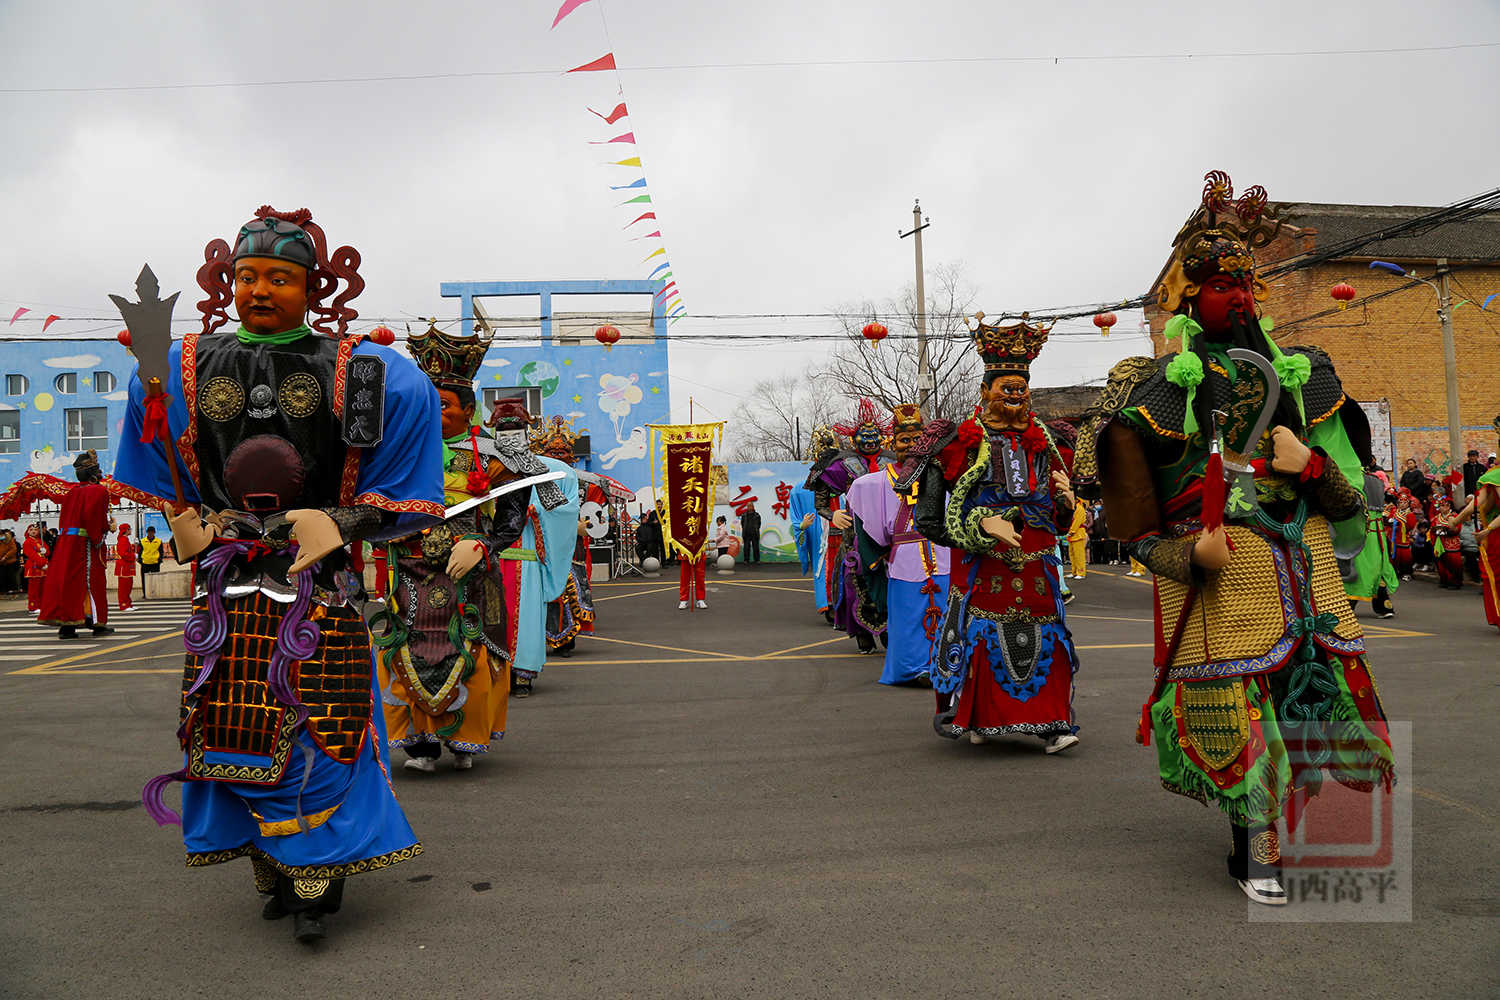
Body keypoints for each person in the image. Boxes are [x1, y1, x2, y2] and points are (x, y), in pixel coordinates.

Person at [115, 206, 443, 944]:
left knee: (321, 725)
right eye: (247, 276)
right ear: (224, 281)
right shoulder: (182, 366)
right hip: (228, 586)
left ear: (316, 285)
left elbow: (404, 489)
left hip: (319, 585)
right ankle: (272, 858)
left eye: (280, 277)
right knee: (228, 719)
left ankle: (317, 875)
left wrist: (345, 522)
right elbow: (170, 479)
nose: (259, 290)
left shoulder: (367, 370)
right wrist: (187, 520)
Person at [1074, 172, 1394, 904]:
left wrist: (1310, 463)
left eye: (1247, 284)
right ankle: (1255, 844)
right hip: (1229, 580)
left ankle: (1300, 827)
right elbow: (1134, 529)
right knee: (1246, 716)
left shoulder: (1304, 377)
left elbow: (1351, 503)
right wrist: (1189, 555)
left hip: (1305, 566)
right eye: (1222, 285)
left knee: (1310, 705)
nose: (1240, 299)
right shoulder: (1149, 393)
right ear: (1190, 298)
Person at [907, 315, 1081, 753]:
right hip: (981, 567)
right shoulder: (954, 441)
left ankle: (1051, 722)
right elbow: (928, 520)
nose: (1017, 397)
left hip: (1039, 565)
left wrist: (1065, 504)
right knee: (983, 638)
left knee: (1048, 638)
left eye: (1022, 389)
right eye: (1007, 388)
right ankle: (980, 716)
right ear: (985, 390)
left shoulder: (1050, 441)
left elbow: (1059, 520)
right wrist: (981, 527)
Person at [376, 327, 534, 773]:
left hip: (470, 574)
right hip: (411, 571)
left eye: (443, 405)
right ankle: (420, 745)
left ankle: (465, 739)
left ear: (469, 410)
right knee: (405, 649)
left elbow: (510, 519)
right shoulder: (402, 450)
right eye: (429, 403)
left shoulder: (498, 454)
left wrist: (483, 545)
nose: (434, 412)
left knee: (470, 650)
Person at [846, 403, 951, 686]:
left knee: (946, 612)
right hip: (905, 558)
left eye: (918, 439)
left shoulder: (944, 477)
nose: (912, 446)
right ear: (893, 442)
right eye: (905, 440)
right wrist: (873, 558)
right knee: (908, 615)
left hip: (942, 553)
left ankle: (947, 665)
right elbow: (864, 524)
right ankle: (913, 668)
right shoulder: (874, 483)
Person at [487, 404, 581, 695]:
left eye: (516, 432)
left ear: (527, 434)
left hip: (527, 555)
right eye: (503, 432)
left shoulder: (554, 471)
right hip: (489, 554)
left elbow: (567, 510)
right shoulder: (486, 465)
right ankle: (489, 674)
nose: (510, 439)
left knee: (524, 617)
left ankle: (523, 674)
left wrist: (536, 511)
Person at [806, 400, 894, 654]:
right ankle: (863, 633)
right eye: (864, 436)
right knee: (858, 583)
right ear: (854, 438)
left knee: (891, 583)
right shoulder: (841, 463)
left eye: (874, 436)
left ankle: (890, 631)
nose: (870, 441)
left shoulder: (894, 460)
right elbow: (820, 500)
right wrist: (832, 514)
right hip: (855, 534)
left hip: (890, 534)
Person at [531, 416, 597, 658]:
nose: (557, 456)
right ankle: (540, 637)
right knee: (540, 590)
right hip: (542, 540)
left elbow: (594, 515)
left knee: (568, 591)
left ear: (571, 456)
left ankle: (565, 640)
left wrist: (584, 524)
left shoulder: (580, 482)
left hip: (571, 543)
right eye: (552, 452)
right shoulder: (535, 480)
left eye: (562, 452)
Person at [38, 451, 114, 639]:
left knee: (68, 583)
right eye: (99, 470)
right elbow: (93, 520)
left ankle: (67, 626)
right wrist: (106, 530)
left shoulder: (71, 492)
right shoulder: (99, 491)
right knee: (92, 583)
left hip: (66, 544)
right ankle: (97, 623)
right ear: (94, 474)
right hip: (85, 544)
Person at [1447, 415, 1500, 635]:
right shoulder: (1493, 475)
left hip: (1495, 532)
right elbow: (1478, 503)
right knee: (1494, 576)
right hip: (1494, 535)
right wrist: (1457, 520)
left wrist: (1487, 529)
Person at [1345, 466, 1399, 618]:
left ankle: (1349, 606)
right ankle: (1384, 607)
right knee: (1377, 566)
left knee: (1360, 567)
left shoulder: (1354, 480)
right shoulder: (1376, 480)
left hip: (1363, 531)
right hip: (1377, 531)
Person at [789, 482, 827, 618]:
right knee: (822, 567)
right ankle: (829, 605)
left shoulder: (842, 485)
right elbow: (797, 522)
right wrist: (801, 526)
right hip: (820, 539)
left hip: (838, 533)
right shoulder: (799, 491)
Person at [1431, 489, 1465, 590]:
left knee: (1454, 563)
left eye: (1444, 505)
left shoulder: (1454, 516)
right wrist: (1435, 531)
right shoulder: (1437, 518)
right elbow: (1432, 528)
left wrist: (1447, 531)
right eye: (1440, 506)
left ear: (1449, 506)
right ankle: (1444, 580)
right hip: (1440, 543)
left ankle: (1455, 582)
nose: (1442, 508)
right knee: (1441, 563)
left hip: (1451, 543)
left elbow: (1457, 529)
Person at [22, 522, 48, 612]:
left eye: (35, 530)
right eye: (31, 530)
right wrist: (43, 562)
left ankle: (40, 605)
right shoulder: (27, 542)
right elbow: (32, 555)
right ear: (28, 532)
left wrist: (45, 551)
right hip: (34, 567)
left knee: (42, 589)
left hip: (43, 568)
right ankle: (33, 607)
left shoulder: (41, 541)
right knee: (34, 589)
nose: (33, 531)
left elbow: (47, 552)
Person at [113, 523, 137, 611]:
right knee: (124, 588)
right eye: (129, 529)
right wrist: (134, 556)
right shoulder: (123, 540)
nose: (130, 530)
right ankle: (123, 605)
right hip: (123, 568)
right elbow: (124, 554)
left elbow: (128, 551)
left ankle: (128, 603)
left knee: (128, 586)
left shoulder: (125, 539)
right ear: (126, 530)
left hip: (127, 567)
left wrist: (135, 546)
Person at [1065, 497, 1088, 580]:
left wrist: (1071, 531)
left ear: (1076, 500)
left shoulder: (1080, 509)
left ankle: (1081, 573)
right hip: (1072, 534)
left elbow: (1077, 522)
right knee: (1072, 555)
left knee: (1079, 555)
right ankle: (1074, 572)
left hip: (1077, 533)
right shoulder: (1073, 509)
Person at [0, 528, 19, 593]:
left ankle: (12, 588)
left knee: (10, 575)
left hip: (10, 561)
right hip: (1, 562)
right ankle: (3, 589)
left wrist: (5, 557)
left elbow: (13, 550)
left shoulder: (9, 540)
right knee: (2, 576)